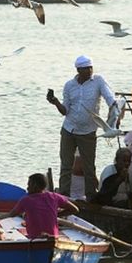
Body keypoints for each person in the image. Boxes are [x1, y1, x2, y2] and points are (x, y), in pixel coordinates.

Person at [47, 55, 117, 201]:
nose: (90, 71)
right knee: (66, 165)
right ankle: (64, 197)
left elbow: (109, 97)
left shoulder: (98, 81)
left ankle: (91, 196)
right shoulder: (69, 85)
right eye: (86, 68)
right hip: (69, 129)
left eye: (91, 67)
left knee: (88, 167)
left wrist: (114, 108)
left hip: (88, 131)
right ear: (79, 70)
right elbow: (65, 110)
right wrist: (55, 102)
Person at [0, 173, 79, 240]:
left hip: (34, 238)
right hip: (54, 237)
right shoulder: (54, 196)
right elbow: (74, 209)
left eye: (29, 185)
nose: (27, 188)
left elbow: (13, 214)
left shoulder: (26, 200)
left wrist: (55, 214)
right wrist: (56, 215)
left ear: (35, 186)